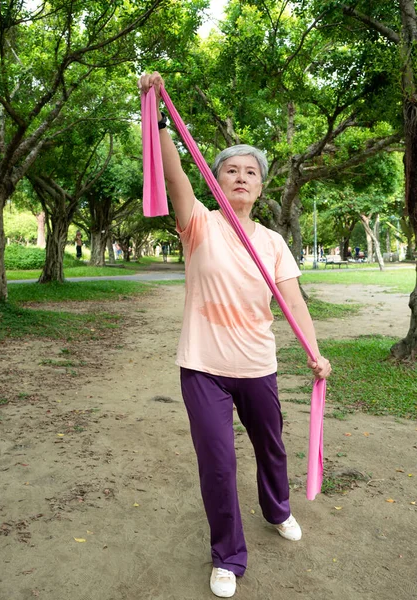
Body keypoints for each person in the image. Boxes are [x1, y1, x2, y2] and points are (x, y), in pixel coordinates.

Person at [139, 72, 331, 599]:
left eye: (251, 172)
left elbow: (292, 302)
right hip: (202, 367)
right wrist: (158, 116)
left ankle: (278, 508)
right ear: (216, 180)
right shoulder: (198, 223)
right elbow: (175, 175)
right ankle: (227, 556)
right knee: (219, 464)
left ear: (261, 186)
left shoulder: (273, 243)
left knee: (271, 448)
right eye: (230, 170)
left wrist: (315, 353)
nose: (241, 177)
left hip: (257, 365)